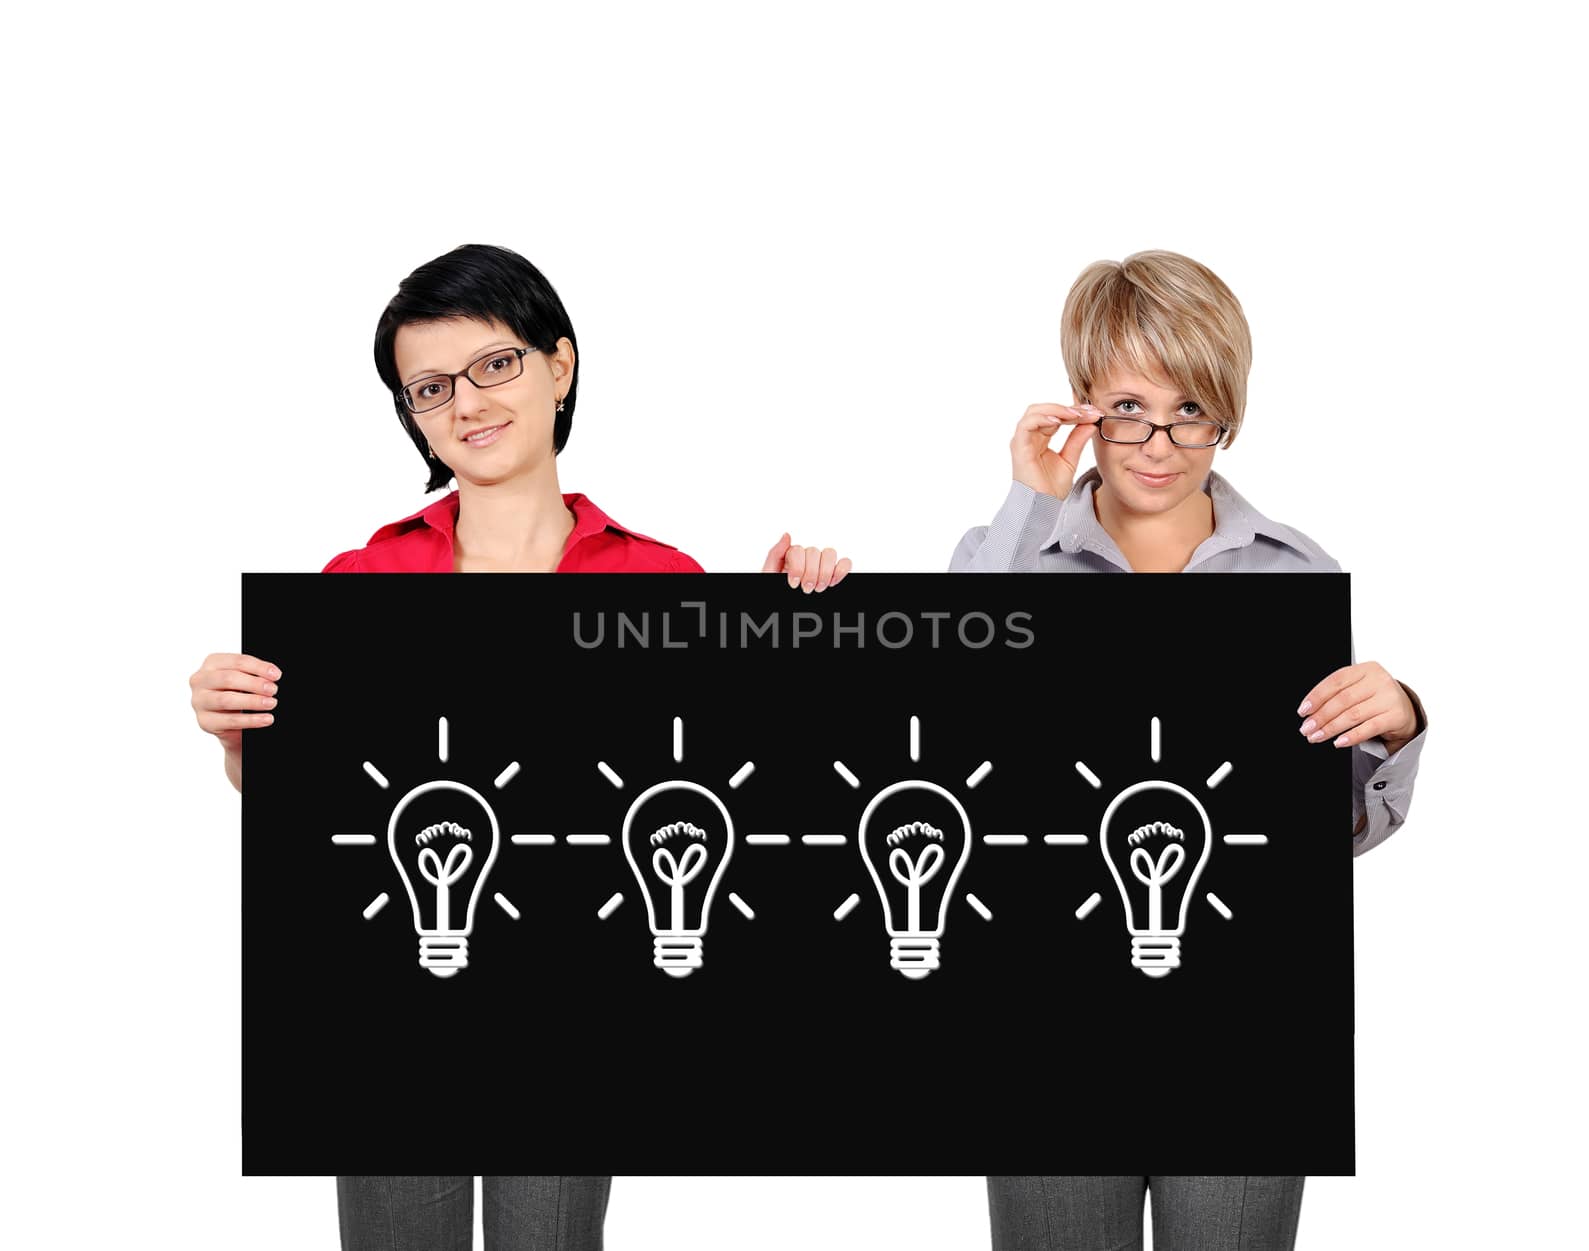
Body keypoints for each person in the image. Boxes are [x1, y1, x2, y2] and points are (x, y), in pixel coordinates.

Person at [188, 243, 850, 1251]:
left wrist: (785, 630)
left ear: (559, 365)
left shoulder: (657, 583)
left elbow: (721, 788)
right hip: (389, 1020)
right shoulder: (361, 583)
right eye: (430, 387)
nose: (467, 405)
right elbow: (314, 803)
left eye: (494, 365)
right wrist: (240, 730)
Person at [951, 250, 1429, 1251]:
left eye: (1190, 410)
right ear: (1081, 403)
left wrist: (1393, 727)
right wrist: (1026, 508)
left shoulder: (1295, 576)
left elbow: (1318, 832)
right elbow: (954, 752)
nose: (1158, 442)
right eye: (1126, 407)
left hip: (1241, 1037)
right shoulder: (1006, 554)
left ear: (1228, 414)